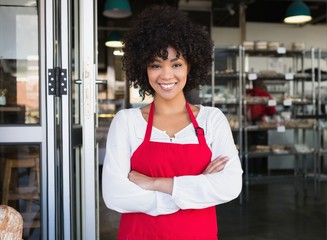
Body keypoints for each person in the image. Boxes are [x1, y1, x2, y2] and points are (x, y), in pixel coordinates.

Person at [102, 5, 243, 240]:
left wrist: (155, 183)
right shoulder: (126, 122)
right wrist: (197, 188)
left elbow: (230, 185)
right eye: (156, 65)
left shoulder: (212, 120)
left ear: (190, 67)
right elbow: (115, 195)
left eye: (176, 64)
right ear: (144, 69)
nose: (166, 75)